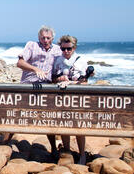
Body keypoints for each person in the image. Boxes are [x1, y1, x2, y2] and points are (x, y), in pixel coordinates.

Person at [14, 25, 62, 160]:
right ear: (39, 37)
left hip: (47, 88)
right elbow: (20, 63)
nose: (45, 40)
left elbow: (64, 66)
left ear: (52, 38)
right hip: (28, 86)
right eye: (43, 38)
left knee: (49, 119)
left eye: (48, 38)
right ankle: (5, 142)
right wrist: (36, 70)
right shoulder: (32, 45)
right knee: (16, 115)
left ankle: (53, 149)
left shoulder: (58, 50)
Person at [52, 35, 93, 165]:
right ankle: (67, 152)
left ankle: (82, 155)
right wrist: (60, 79)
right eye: (63, 49)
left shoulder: (81, 61)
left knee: (79, 126)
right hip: (63, 97)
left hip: (78, 98)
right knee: (64, 125)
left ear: (74, 48)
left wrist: (83, 78)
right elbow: (53, 78)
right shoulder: (57, 61)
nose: (66, 51)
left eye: (69, 48)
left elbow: (86, 80)